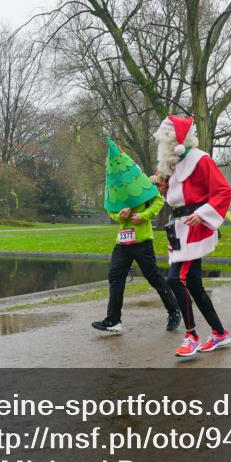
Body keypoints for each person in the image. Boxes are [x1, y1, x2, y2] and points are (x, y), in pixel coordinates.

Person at [151, 115, 231, 358]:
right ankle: (219, 332)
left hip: (195, 227)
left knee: (177, 279)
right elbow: (176, 198)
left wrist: (203, 213)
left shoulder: (200, 159)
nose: (161, 144)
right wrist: (163, 188)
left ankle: (191, 336)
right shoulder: (173, 162)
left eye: (164, 139)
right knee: (194, 285)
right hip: (178, 228)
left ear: (175, 139)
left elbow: (223, 190)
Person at [92, 139, 181, 334]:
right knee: (115, 277)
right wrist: (119, 216)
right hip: (122, 241)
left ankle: (174, 311)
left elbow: (158, 200)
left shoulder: (140, 179)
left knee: (154, 277)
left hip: (142, 240)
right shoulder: (114, 182)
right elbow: (111, 209)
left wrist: (143, 216)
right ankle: (113, 320)